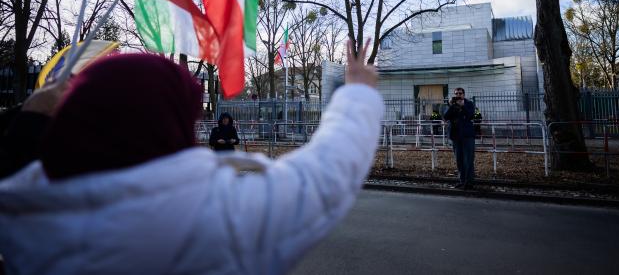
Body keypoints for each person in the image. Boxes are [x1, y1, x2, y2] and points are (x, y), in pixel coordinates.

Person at [0, 40, 381, 274]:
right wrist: (358, 93)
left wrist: (29, 117)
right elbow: (326, 173)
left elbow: (19, 161)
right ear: (166, 122)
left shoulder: (23, 215)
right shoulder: (213, 216)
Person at [444, 87, 476, 190]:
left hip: (467, 136)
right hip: (456, 136)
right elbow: (445, 116)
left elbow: (471, 115)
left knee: (468, 159)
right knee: (459, 160)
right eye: (456, 93)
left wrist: (463, 107)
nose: (458, 95)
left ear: (464, 94)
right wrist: (450, 106)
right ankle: (462, 181)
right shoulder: (452, 105)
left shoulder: (469, 103)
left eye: (460, 93)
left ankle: (469, 182)